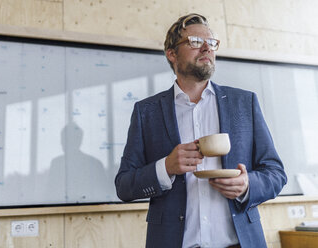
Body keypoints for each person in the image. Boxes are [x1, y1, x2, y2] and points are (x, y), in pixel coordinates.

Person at [115, 13, 287, 248]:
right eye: (195, 41)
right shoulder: (147, 112)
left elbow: (275, 173)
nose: (207, 48)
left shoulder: (244, 103)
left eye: (212, 42)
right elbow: (124, 186)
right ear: (172, 54)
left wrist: (248, 185)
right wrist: (166, 167)